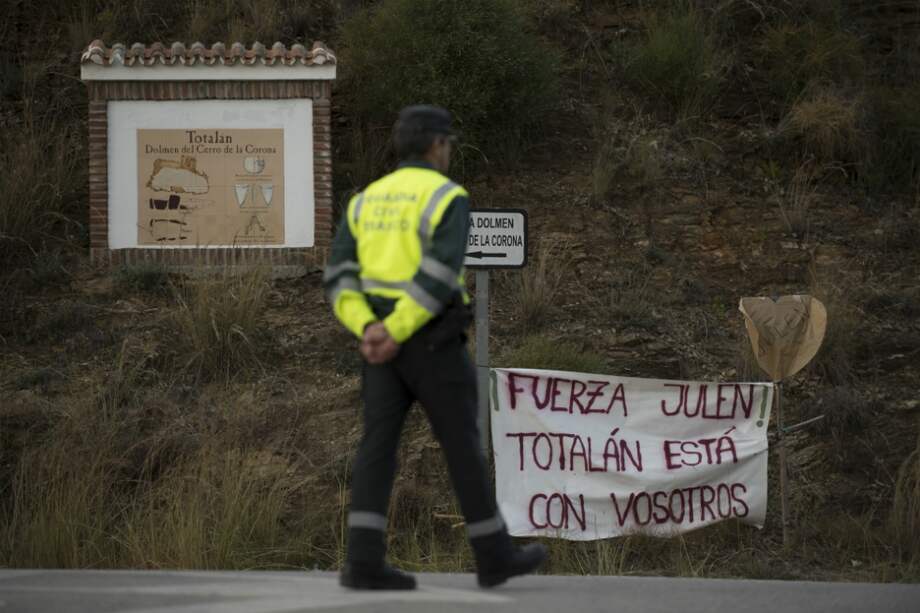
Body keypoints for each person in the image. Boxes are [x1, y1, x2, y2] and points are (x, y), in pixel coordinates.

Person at [323, 105, 546, 590]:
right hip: (431, 342)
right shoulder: (447, 196)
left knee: (377, 447)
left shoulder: (364, 200)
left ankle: (362, 560)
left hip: (378, 346)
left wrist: (369, 329)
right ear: (436, 146)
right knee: (463, 445)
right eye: (449, 143)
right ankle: (493, 556)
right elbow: (441, 274)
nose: (449, 151)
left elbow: (339, 277)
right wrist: (399, 329)